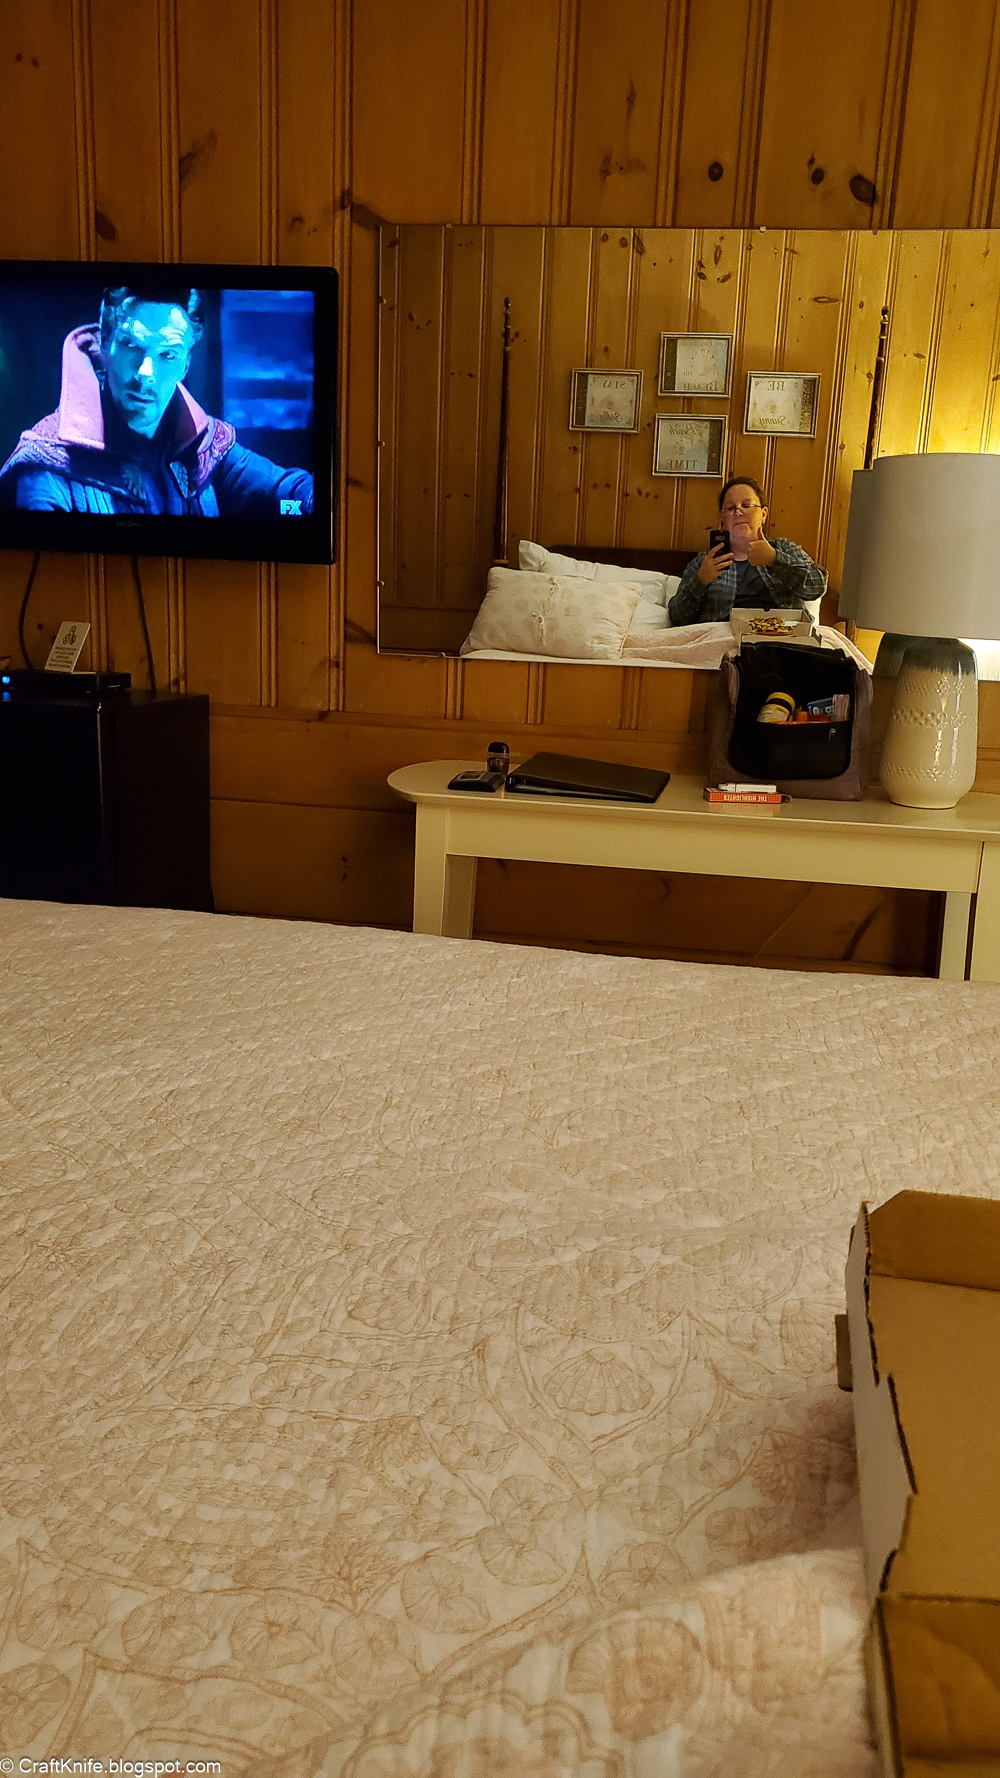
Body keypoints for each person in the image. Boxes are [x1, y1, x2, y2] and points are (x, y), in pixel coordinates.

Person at [0, 286, 314, 519]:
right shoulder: (46, 467)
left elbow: (290, 492)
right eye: (131, 345)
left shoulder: (207, 448)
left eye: (167, 354)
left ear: (185, 364)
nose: (145, 373)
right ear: (105, 343)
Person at [667, 475, 827, 625]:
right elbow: (677, 617)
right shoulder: (707, 560)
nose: (738, 512)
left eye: (746, 505)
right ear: (722, 519)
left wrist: (775, 559)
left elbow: (818, 586)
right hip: (722, 638)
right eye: (730, 508)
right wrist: (701, 581)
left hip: (782, 636)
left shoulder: (783, 548)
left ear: (763, 515)